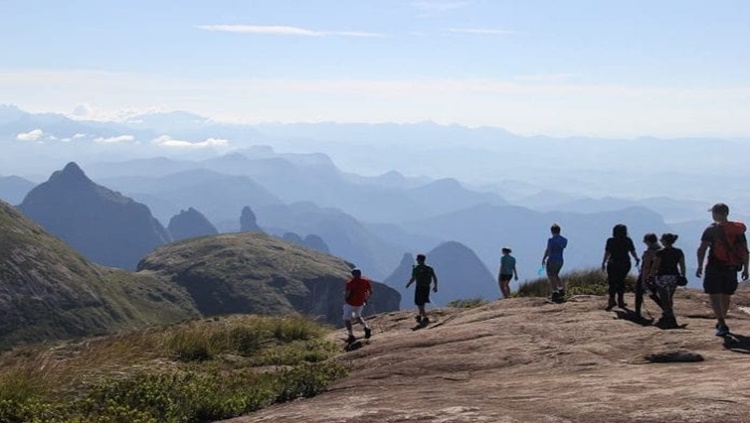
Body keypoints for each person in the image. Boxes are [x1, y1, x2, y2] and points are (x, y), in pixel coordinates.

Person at [696, 203, 749, 337]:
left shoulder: (711, 229)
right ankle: (722, 321)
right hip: (732, 267)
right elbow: (745, 251)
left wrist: (700, 266)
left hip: (715, 265)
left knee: (714, 294)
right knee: (726, 294)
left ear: (716, 214)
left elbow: (702, 248)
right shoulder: (737, 230)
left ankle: (722, 323)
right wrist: (746, 269)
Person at [648, 233, 686, 329]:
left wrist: (651, 276)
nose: (660, 240)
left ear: (665, 241)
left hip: (662, 277)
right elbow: (682, 265)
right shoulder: (679, 251)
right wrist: (683, 276)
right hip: (674, 277)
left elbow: (655, 266)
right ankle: (666, 314)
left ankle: (670, 317)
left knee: (664, 298)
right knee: (670, 297)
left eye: (662, 239)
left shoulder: (660, 252)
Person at [601, 224, 640, 310]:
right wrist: (636, 258)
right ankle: (620, 300)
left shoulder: (610, 240)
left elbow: (607, 252)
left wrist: (604, 262)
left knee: (612, 281)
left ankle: (611, 300)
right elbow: (632, 251)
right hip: (625, 263)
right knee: (621, 281)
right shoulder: (628, 240)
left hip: (613, 263)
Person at [636, 233, 663, 319]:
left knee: (639, 292)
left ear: (648, 241)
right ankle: (665, 308)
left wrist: (643, 281)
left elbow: (646, 267)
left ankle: (637, 313)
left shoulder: (649, 252)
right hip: (656, 276)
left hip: (646, 276)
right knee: (652, 293)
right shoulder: (661, 250)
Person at [406, 253, 438, 324]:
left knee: (419, 302)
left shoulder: (416, 268)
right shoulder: (430, 268)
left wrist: (408, 284)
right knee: (422, 302)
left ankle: (425, 317)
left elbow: (413, 278)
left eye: (417, 259)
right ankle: (419, 315)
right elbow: (434, 278)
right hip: (427, 287)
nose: (416, 260)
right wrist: (435, 286)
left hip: (419, 287)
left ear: (419, 260)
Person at [343, 268, 372, 343]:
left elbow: (347, 293)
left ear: (353, 275)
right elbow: (370, 291)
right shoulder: (365, 281)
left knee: (347, 319)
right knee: (358, 316)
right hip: (360, 303)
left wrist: (345, 299)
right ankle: (366, 328)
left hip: (350, 303)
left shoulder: (350, 282)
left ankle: (351, 335)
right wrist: (365, 298)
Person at [542, 223, 568, 303]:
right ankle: (561, 290)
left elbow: (549, 249)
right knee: (556, 275)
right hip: (560, 260)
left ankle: (555, 292)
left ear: (551, 231)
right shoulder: (564, 240)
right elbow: (563, 247)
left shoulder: (551, 240)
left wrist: (544, 258)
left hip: (552, 259)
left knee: (551, 275)